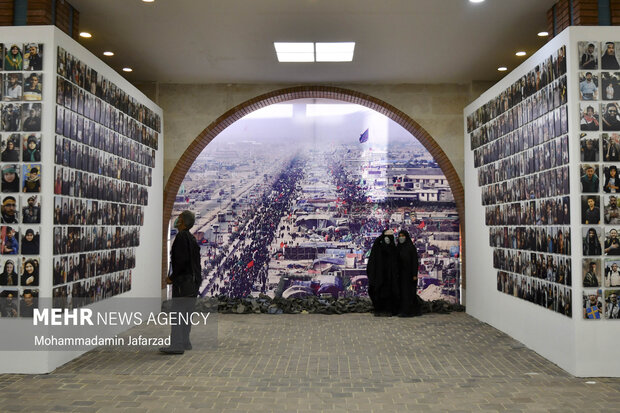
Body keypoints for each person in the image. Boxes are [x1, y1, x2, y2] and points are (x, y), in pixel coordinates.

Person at [160, 210, 201, 355]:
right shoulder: (191, 238)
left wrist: (172, 277)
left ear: (182, 222)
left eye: (179, 217)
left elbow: (181, 262)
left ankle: (176, 345)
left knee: (177, 314)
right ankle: (185, 341)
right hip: (192, 283)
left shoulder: (181, 238)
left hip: (183, 283)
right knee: (186, 314)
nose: (176, 219)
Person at [366, 229, 400, 316]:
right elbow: (375, 246)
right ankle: (379, 310)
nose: (387, 239)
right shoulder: (379, 249)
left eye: (389, 237)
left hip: (390, 278)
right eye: (386, 237)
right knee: (378, 294)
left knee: (390, 295)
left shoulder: (394, 249)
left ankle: (389, 311)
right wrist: (382, 235)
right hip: (380, 277)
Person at [396, 230, 421, 317]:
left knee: (408, 293)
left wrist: (414, 274)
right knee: (402, 293)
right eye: (400, 236)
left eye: (403, 236)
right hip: (400, 275)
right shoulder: (398, 247)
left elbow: (414, 262)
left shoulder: (411, 248)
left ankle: (408, 311)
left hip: (409, 275)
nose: (401, 238)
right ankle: (402, 310)